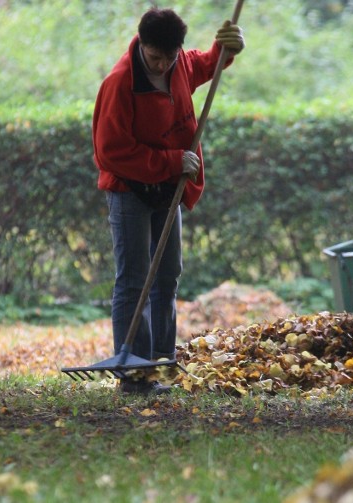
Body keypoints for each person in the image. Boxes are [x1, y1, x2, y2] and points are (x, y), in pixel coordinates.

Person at [92, 7, 245, 395]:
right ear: (141, 46)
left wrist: (226, 48)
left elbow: (207, 63)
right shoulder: (120, 83)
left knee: (167, 273)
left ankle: (162, 360)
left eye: (169, 57)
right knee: (133, 278)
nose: (162, 65)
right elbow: (111, 151)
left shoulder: (179, 66)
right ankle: (135, 374)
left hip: (166, 189)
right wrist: (172, 160)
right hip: (129, 188)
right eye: (154, 57)